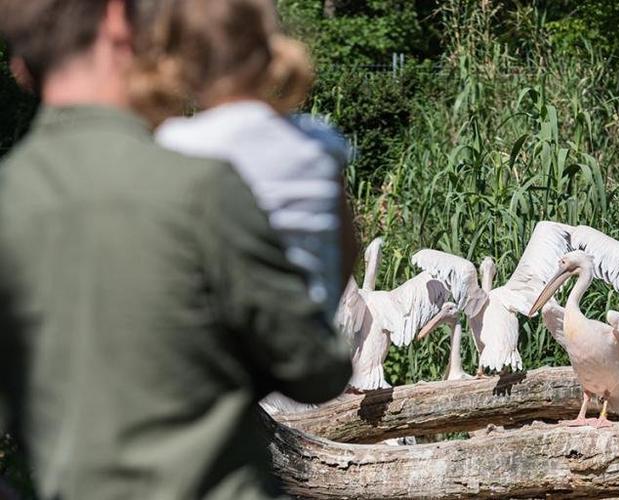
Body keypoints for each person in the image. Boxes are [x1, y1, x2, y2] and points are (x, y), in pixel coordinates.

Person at [0, 1, 353, 498]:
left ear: (20, 67)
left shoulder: (12, 198)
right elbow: (317, 372)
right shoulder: (200, 190)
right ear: (117, 20)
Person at [131, 0, 357, 329]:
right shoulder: (319, 143)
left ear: (181, 63)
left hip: (219, 362)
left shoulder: (176, 145)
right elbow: (346, 251)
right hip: (306, 351)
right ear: (269, 51)